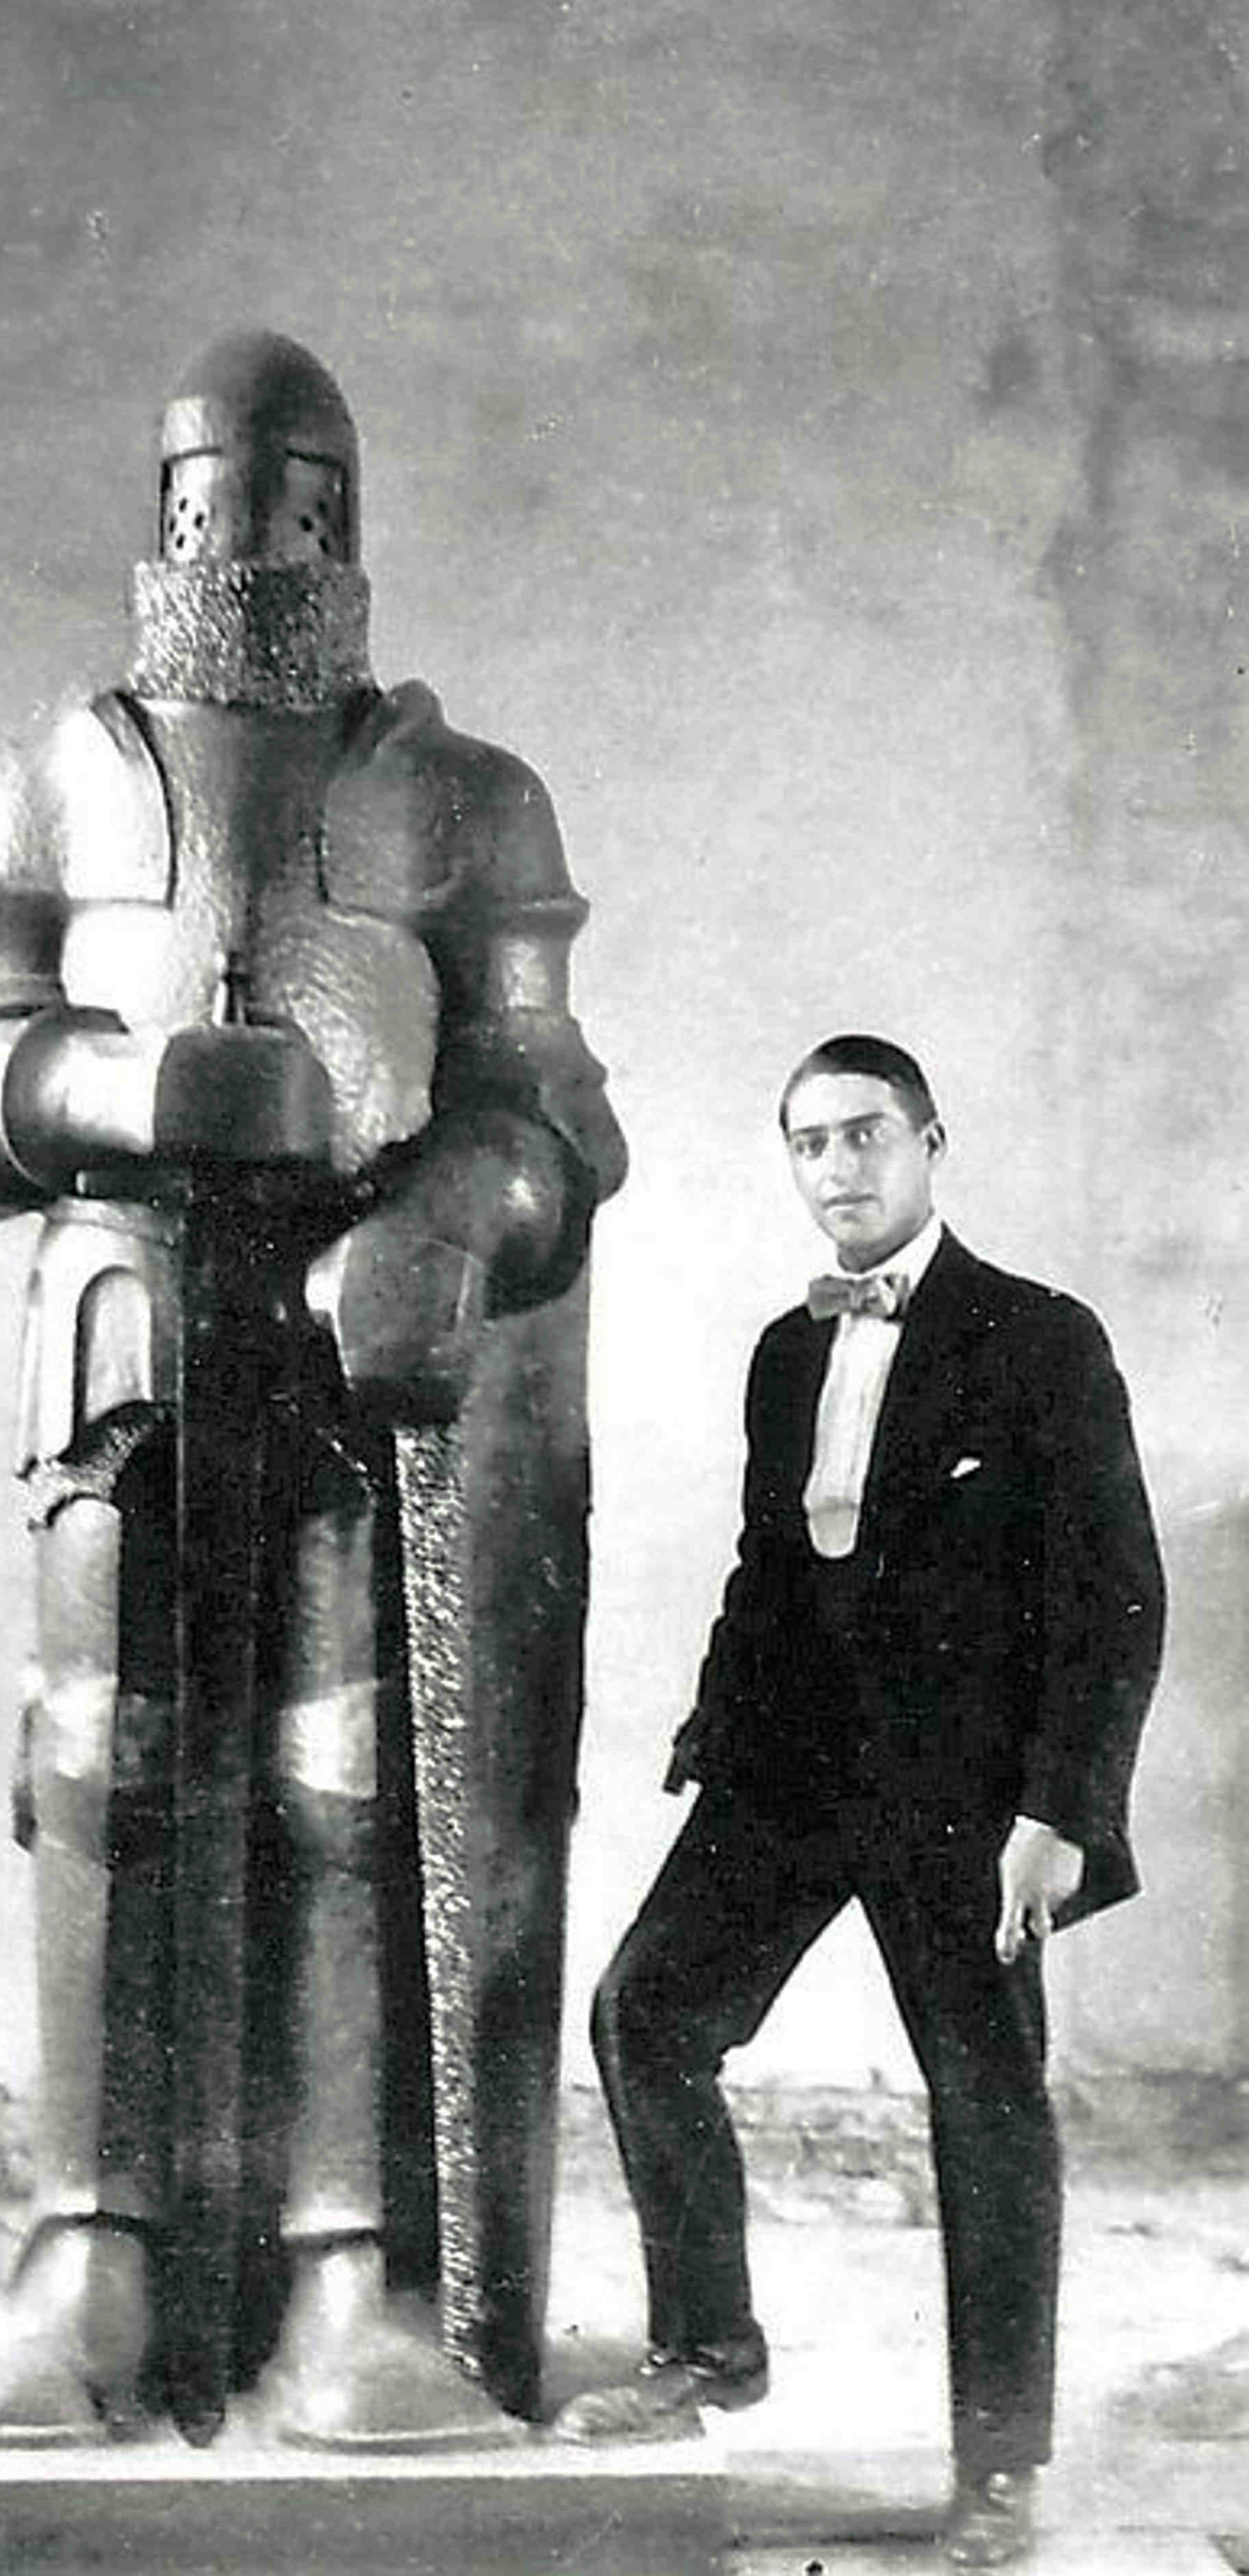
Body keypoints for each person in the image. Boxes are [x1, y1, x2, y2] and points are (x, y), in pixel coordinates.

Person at [0, 331, 626, 2449]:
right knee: (96, 1760)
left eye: (297, 504)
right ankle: (88, 2249)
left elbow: (557, 1110)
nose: (255, 542)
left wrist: (452, 1215)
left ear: (349, 519)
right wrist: (105, 1090)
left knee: (342, 1777)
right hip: (119, 1320)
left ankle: (346, 2271)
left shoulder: (463, 795)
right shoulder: (40, 779)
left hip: (345, 1334)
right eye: (220, 502)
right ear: (163, 515)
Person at [554, 1035, 1163, 2571]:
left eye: (867, 1134)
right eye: (811, 1142)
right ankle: (708, 2345)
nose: (839, 1168)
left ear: (931, 1144)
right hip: (792, 1770)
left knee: (987, 2104)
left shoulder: (1040, 1337)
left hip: (968, 1798)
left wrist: (1062, 1810)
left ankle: (1000, 2470)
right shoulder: (785, 1350)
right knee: (646, 2011)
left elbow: (1115, 1595)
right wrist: (714, 1732)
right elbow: (768, 1564)